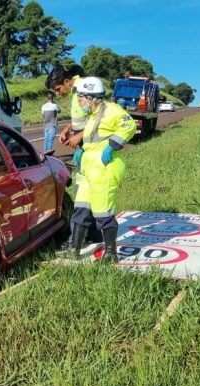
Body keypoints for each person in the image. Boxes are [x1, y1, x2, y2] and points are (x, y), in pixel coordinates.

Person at [65, 76, 136, 262]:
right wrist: (82, 150)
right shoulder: (92, 115)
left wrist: (113, 146)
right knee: (80, 209)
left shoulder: (111, 110)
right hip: (89, 168)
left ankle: (111, 254)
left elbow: (129, 125)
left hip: (105, 168)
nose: (79, 101)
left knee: (102, 212)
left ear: (91, 97)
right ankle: (75, 249)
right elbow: (93, 139)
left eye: (81, 97)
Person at [45, 65, 86, 149]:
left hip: (97, 146)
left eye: (58, 89)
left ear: (66, 81)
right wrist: (69, 127)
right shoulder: (73, 91)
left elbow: (101, 119)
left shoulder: (84, 88)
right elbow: (85, 117)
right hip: (87, 145)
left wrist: (80, 135)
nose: (57, 94)